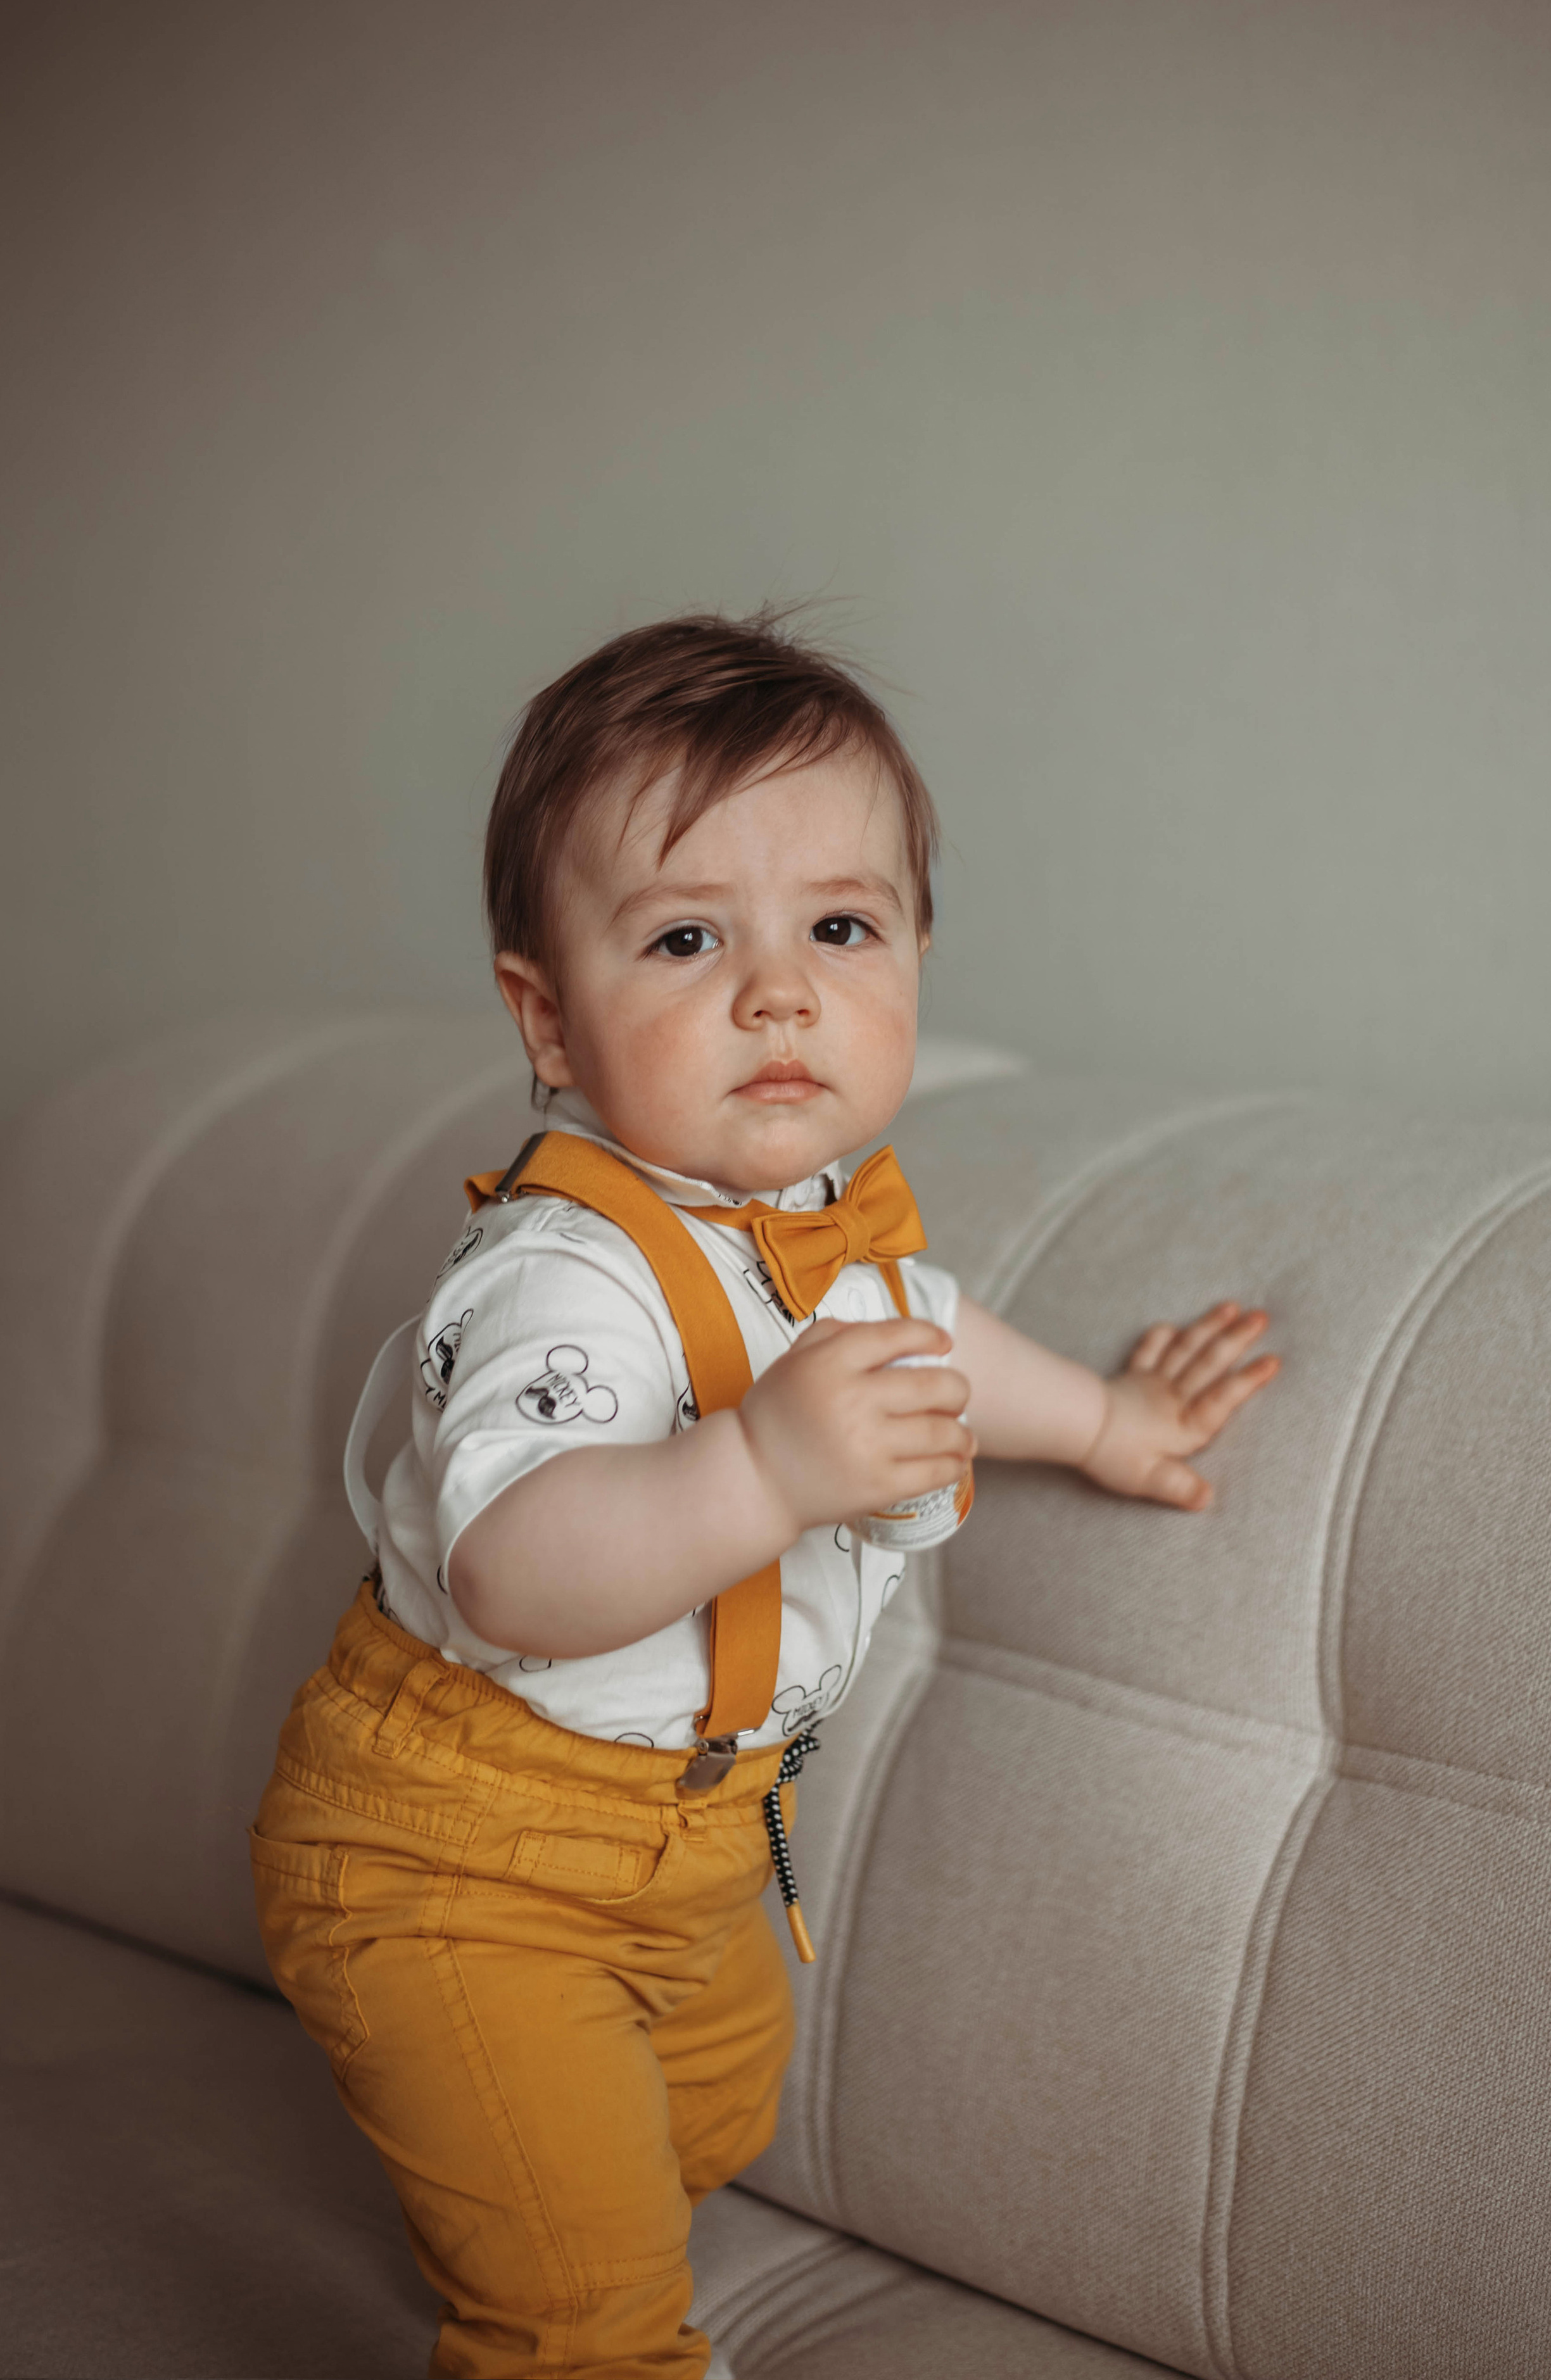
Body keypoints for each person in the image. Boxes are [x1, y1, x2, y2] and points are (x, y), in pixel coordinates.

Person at [251, 611, 1279, 2379]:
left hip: (700, 1852)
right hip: (457, 1858)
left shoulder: (837, 1247)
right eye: (685, 937)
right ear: (548, 1017)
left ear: (914, 964)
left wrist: (1107, 1420)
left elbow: (940, 1338)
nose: (779, 989)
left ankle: (542, 2195)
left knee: (709, 2111)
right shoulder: (558, 1277)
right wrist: (756, 1464)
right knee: (584, 2312)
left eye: (839, 928)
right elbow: (513, 1564)